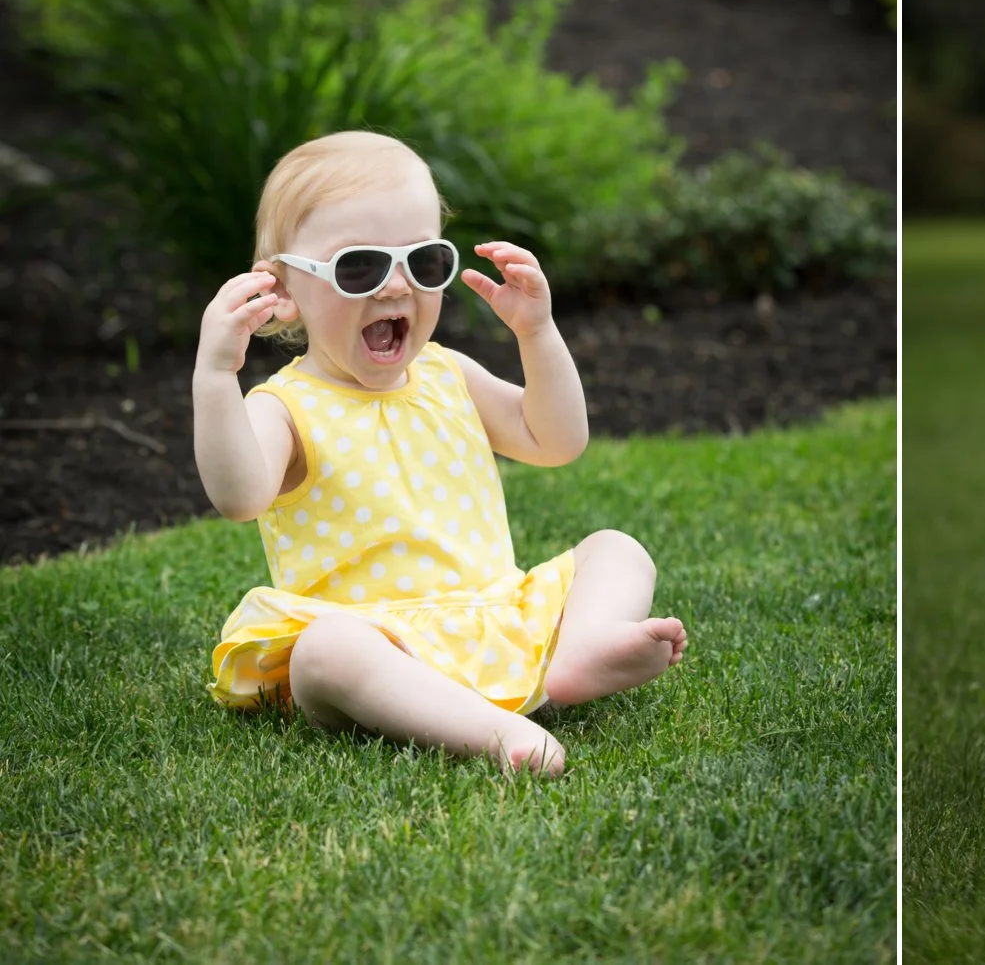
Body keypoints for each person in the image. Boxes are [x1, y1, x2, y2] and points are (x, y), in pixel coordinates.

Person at [193, 130, 686, 778]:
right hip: (378, 645)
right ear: (282, 289)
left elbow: (557, 440)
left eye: (422, 262)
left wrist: (536, 332)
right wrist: (215, 377)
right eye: (361, 266)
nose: (397, 287)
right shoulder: (285, 407)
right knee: (324, 653)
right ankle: (495, 734)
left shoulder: (449, 374)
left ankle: (578, 649)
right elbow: (238, 496)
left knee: (618, 548)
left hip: (496, 622)